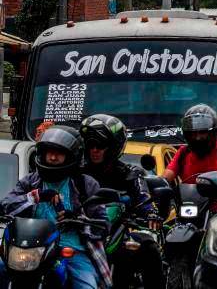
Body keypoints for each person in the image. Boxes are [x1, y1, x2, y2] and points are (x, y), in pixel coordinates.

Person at [0, 126, 111, 289]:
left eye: (59, 153)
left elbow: (103, 224)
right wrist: (35, 197)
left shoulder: (85, 185)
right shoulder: (30, 182)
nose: (52, 157)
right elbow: (6, 205)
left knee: (87, 286)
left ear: (72, 156)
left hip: (72, 251)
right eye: (48, 152)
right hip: (31, 251)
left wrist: (78, 219)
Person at [80, 114, 164, 289]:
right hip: (79, 234)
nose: (94, 150)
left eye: (100, 145)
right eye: (90, 144)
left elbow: (144, 199)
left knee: (148, 248)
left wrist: (151, 214)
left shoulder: (130, 174)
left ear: (113, 146)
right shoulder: (76, 174)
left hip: (117, 236)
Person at [162, 104, 217, 210]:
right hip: (189, 210)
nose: (198, 138)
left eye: (202, 132)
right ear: (187, 135)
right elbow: (165, 178)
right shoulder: (183, 152)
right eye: (193, 133)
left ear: (213, 132)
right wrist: (156, 185)